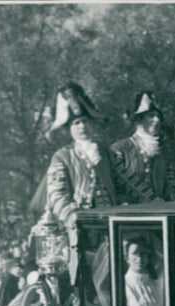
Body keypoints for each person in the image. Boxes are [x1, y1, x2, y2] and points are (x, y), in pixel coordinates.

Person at [42, 82, 119, 283]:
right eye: (76, 123)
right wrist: (74, 218)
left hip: (111, 226)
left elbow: (121, 185)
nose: (82, 127)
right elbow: (58, 196)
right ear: (69, 129)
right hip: (80, 231)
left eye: (85, 121)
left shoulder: (107, 154)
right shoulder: (62, 157)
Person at [111, 91, 175, 204]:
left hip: (159, 213)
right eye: (151, 116)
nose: (157, 120)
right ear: (139, 119)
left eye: (158, 116)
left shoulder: (161, 152)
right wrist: (151, 199)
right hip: (129, 214)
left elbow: (171, 185)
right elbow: (121, 182)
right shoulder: (120, 149)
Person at [124, 237, 165, 306]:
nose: (139, 258)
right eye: (134, 253)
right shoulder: (124, 286)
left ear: (148, 257)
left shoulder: (157, 282)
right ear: (127, 258)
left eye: (143, 253)